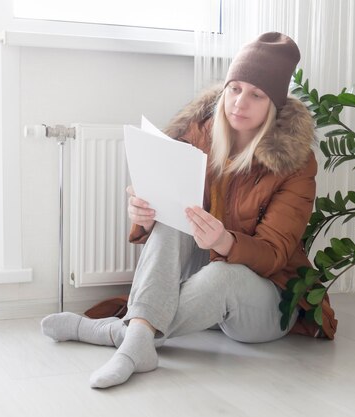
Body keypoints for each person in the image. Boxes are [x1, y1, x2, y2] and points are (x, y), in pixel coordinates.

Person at [40, 32, 336, 389]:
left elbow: (275, 254)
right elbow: (168, 209)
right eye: (235, 88)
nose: (240, 102)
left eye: (256, 94)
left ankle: (113, 334)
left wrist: (226, 241)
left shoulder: (296, 164)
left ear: (273, 104)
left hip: (267, 298)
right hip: (204, 293)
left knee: (223, 275)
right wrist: (144, 215)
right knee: (172, 221)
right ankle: (139, 344)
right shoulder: (198, 133)